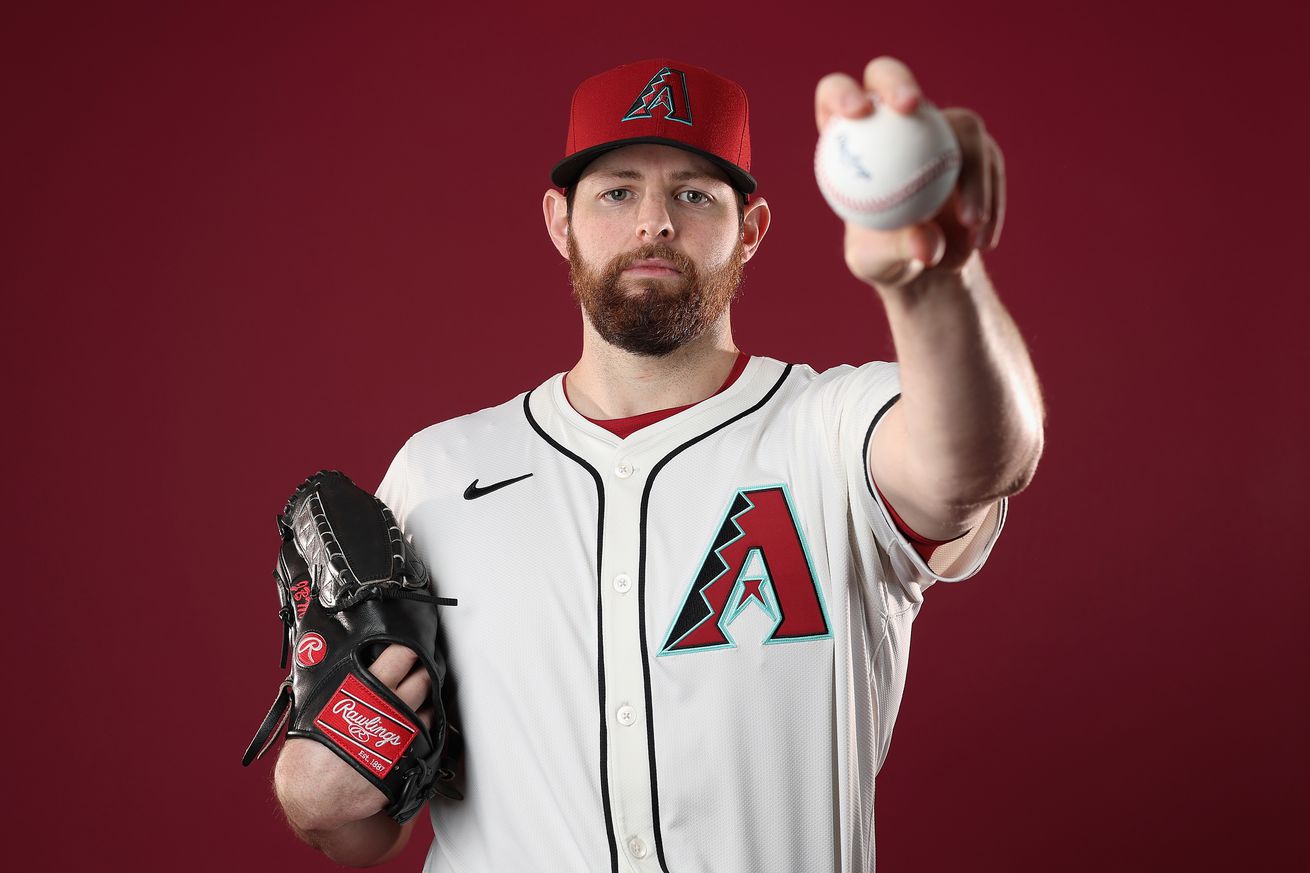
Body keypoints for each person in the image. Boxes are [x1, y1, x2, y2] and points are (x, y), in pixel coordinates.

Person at [272, 56, 1044, 871]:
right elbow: (366, 829)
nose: (654, 222)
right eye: (616, 191)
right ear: (557, 220)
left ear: (750, 230)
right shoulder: (438, 473)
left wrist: (938, 282)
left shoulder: (835, 433)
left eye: (693, 193)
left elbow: (979, 460)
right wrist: (313, 797)